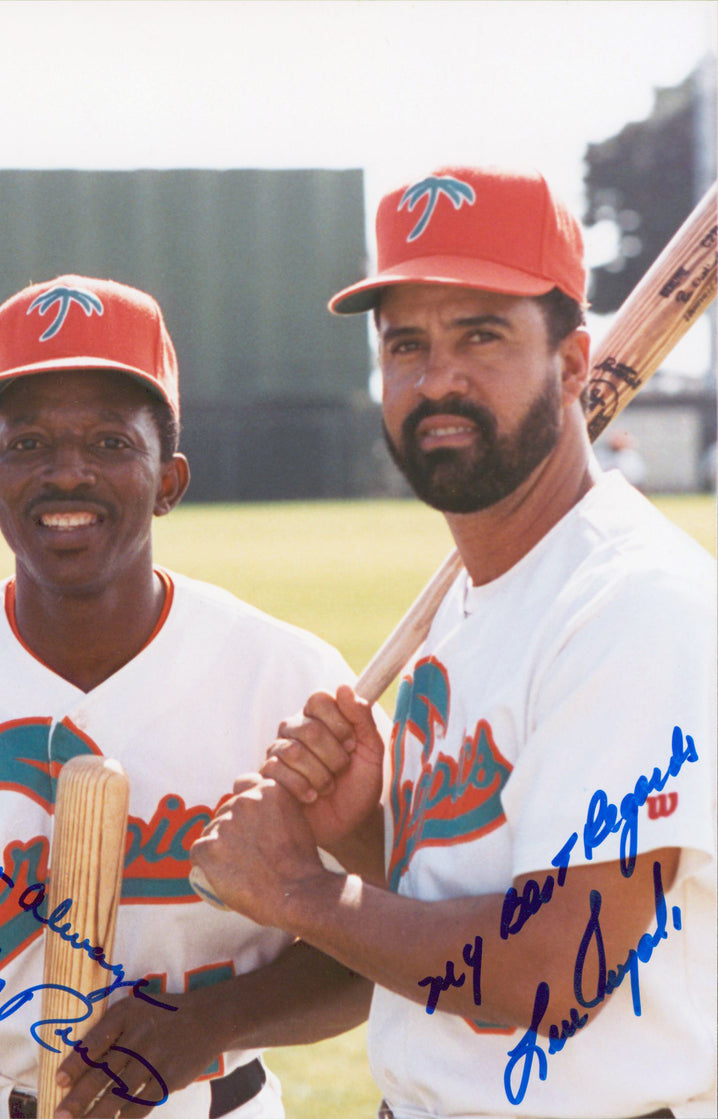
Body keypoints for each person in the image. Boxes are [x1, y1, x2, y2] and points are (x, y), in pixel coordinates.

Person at [191, 167, 717, 1118]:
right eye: (407, 344)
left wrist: (299, 892)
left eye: (482, 334)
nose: (438, 379)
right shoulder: (467, 610)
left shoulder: (631, 604)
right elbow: (447, 904)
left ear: (570, 365)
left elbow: (559, 966)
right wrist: (365, 828)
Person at [0, 274, 371, 1119]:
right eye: (29, 444)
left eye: (111, 442)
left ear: (170, 480)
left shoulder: (286, 678)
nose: (67, 472)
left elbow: (375, 947)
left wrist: (211, 1019)